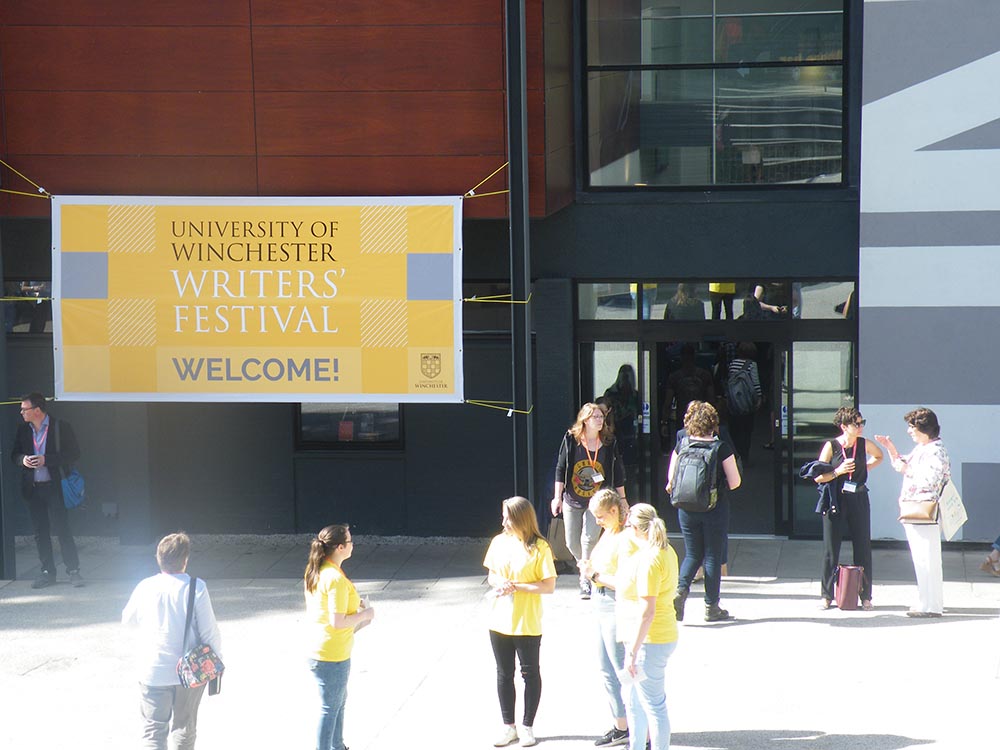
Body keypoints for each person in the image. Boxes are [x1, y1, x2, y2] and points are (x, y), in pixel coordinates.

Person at [122, 532, 223, 750]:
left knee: (153, 731)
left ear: (158, 559)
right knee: (184, 729)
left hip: (152, 669)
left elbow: (128, 621)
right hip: (188, 672)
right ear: (185, 559)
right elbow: (209, 632)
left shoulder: (144, 586)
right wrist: (218, 661)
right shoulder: (196, 587)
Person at [484, 496, 557, 748]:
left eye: (508, 517)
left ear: (520, 519)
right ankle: (508, 727)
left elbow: (548, 586)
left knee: (530, 673)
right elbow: (492, 574)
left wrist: (517, 586)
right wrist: (500, 583)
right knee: (504, 674)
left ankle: (527, 726)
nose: (503, 522)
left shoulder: (540, 547)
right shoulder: (498, 542)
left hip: (527, 622)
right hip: (499, 620)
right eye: (503, 516)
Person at [667, 401, 741, 622]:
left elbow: (671, 481)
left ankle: (680, 591)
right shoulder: (721, 448)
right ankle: (711, 607)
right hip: (714, 508)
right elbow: (735, 482)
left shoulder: (682, 445)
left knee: (692, 553)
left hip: (686, 509)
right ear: (713, 424)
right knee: (712, 556)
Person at [304, 524, 376, 750]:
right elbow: (337, 622)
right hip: (332, 654)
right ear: (341, 547)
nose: (353, 545)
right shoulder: (334, 578)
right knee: (330, 709)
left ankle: (338, 745)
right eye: (350, 541)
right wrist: (366, 614)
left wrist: (357, 612)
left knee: (337, 704)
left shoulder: (318, 570)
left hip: (324, 649)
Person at [875, 408, 951, 617]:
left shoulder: (935, 450)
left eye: (912, 427)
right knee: (921, 558)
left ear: (924, 428)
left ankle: (932, 606)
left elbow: (930, 479)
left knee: (928, 558)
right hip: (916, 510)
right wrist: (890, 448)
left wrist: (907, 470)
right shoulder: (924, 448)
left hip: (925, 510)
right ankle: (925, 603)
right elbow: (902, 463)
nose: (909, 431)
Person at [616, 503, 678, 750]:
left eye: (628, 525)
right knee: (633, 700)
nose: (626, 529)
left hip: (650, 641)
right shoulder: (665, 551)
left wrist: (633, 652)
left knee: (653, 704)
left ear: (638, 529)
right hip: (652, 637)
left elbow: (647, 611)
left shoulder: (650, 560)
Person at [553, 403, 627, 599]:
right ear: (585, 420)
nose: (600, 420)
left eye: (601, 417)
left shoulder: (609, 442)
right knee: (571, 543)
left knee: (589, 539)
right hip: (572, 498)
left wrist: (623, 499)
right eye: (595, 417)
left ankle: (586, 581)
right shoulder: (571, 439)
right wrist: (556, 497)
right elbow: (560, 468)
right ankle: (587, 567)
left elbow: (618, 472)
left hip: (598, 501)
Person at [812, 408, 883, 610]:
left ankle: (866, 595)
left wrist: (865, 468)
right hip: (836, 498)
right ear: (844, 427)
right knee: (831, 549)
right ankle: (827, 595)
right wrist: (837, 471)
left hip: (858, 496)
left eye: (862, 423)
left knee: (862, 546)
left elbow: (879, 456)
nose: (860, 427)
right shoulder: (832, 446)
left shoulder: (864, 444)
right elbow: (818, 476)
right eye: (856, 424)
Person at [10, 391, 83, 588]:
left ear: (37, 410)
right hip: (33, 488)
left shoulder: (61, 427)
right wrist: (23, 460)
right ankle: (47, 572)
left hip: (55, 487)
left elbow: (74, 453)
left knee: (62, 528)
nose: (22, 413)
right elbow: (14, 454)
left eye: (25, 409)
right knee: (40, 532)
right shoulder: (23, 430)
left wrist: (46, 460)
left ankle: (73, 570)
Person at [579, 489, 632, 748]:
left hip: (613, 603)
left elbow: (625, 582)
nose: (597, 521)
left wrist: (595, 574)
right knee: (606, 667)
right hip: (600, 601)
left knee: (622, 668)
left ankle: (637, 724)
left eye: (600, 516)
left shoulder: (626, 537)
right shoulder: (609, 532)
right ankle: (621, 725)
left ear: (614, 511)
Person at [660, 344, 714, 449]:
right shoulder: (704, 375)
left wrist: (664, 422)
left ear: (681, 358)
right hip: (701, 416)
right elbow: (711, 401)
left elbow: (668, 402)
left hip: (683, 416)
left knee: (681, 447)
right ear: (694, 357)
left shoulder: (675, 377)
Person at [603, 365, 640, 496]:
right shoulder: (611, 394)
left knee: (630, 469)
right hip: (615, 434)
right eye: (623, 376)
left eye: (628, 377)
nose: (626, 380)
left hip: (631, 434)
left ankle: (630, 495)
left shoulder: (635, 395)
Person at [724, 342, 761, 463]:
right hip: (747, 402)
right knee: (746, 430)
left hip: (734, 402)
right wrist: (759, 399)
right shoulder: (752, 365)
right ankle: (744, 456)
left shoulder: (733, 364)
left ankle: (735, 455)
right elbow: (755, 383)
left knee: (734, 430)